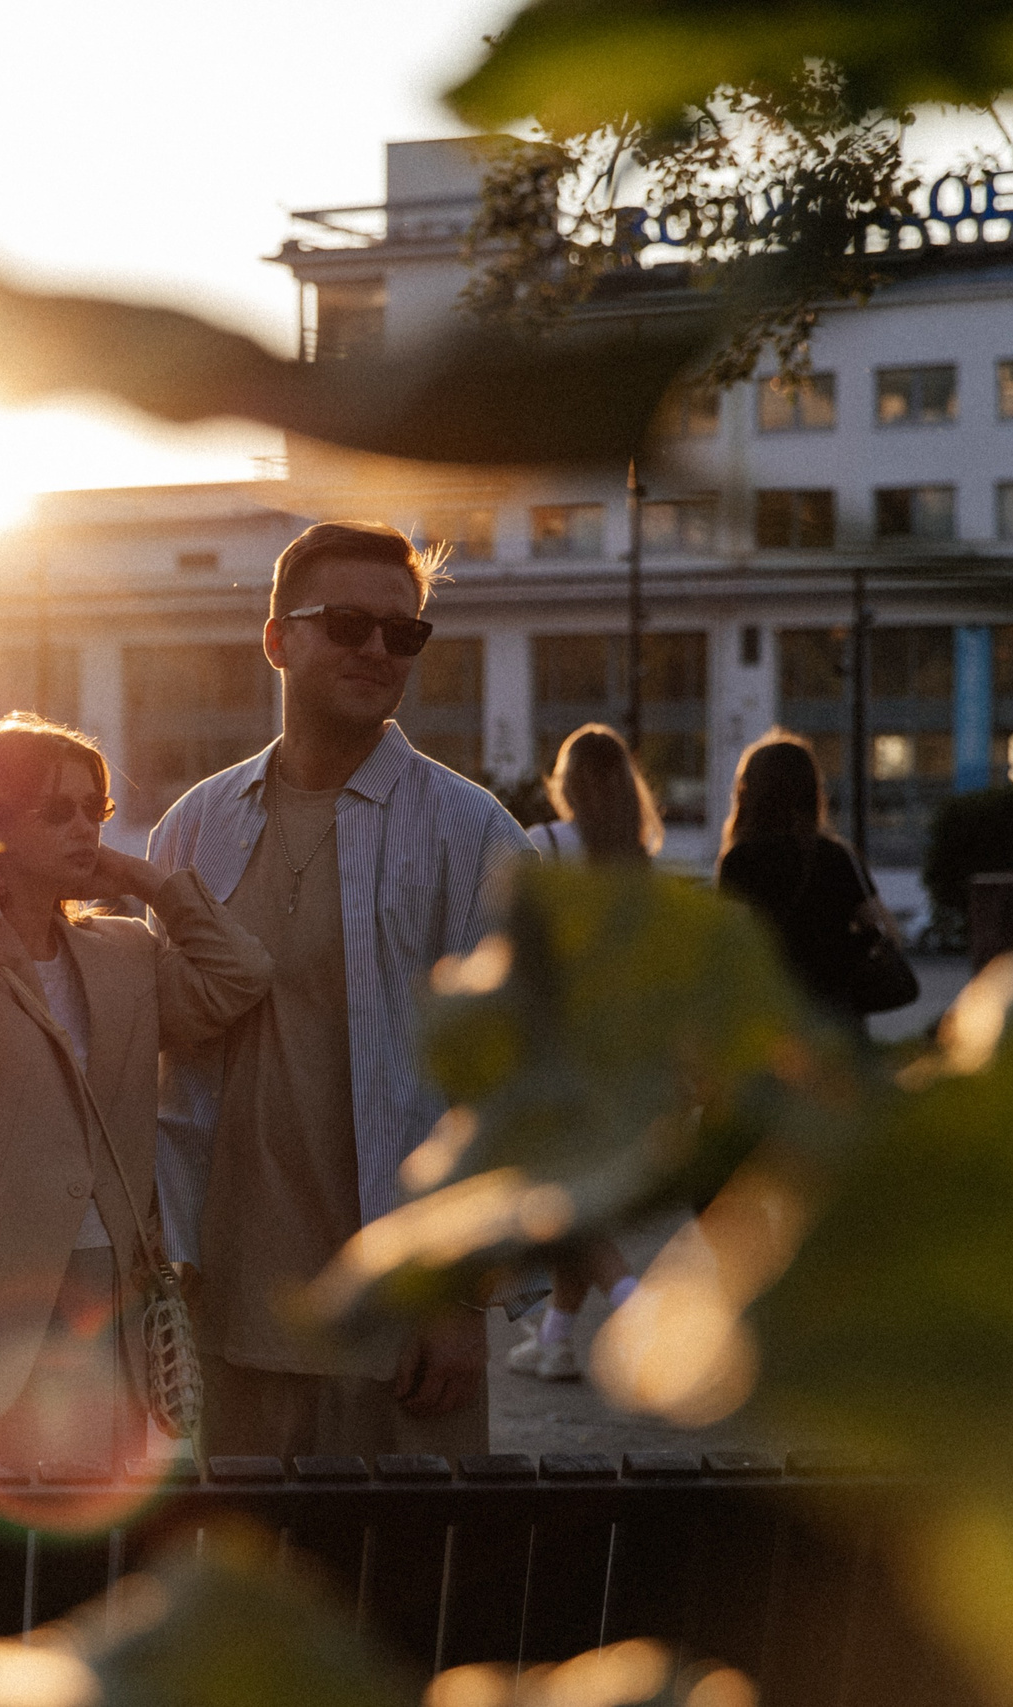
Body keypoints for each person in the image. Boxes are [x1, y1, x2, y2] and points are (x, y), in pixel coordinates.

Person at [150, 520, 533, 1459]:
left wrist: (465, 1299)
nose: (378, 650)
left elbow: (520, 1083)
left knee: (405, 1603)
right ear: (278, 638)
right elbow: (165, 1074)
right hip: (227, 1320)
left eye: (404, 634)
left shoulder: (471, 834)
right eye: (349, 624)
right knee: (248, 1598)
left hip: (400, 1332)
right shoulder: (193, 830)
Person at [0, 715, 272, 1472]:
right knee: (4, 1556)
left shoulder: (124, 952)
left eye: (96, 809)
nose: (85, 827)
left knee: (97, 1541)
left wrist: (144, 879)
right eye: (57, 810)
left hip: (110, 1293)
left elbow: (237, 977)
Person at [511, 724, 652, 1381]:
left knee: (566, 1208)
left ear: (565, 781)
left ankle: (640, 1306)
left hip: (555, 1053)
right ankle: (555, 1340)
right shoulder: (635, 856)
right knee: (576, 1201)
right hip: (622, 1052)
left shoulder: (543, 846)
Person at [715, 730, 883, 1026]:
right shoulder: (836, 855)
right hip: (835, 1010)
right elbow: (879, 927)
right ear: (812, 792)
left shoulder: (740, 861)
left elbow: (726, 941)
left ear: (749, 793)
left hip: (767, 1012)